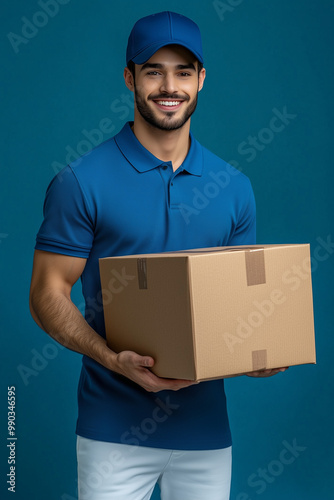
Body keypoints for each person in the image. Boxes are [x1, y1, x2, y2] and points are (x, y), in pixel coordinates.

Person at [30, 11, 286, 500]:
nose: (170, 86)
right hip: (112, 431)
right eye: (153, 70)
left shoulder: (234, 188)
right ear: (129, 78)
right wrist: (110, 357)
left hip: (206, 434)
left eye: (183, 72)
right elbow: (47, 292)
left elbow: (238, 309)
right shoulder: (81, 182)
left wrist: (259, 353)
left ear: (201, 80)